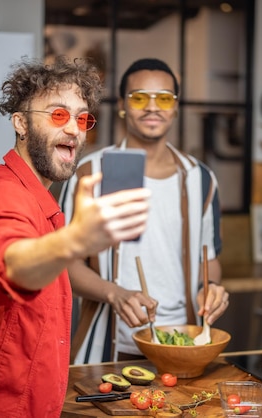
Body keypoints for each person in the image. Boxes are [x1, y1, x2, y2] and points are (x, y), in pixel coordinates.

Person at [0, 56, 151, 418]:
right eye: (58, 115)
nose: (75, 130)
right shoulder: (1, 194)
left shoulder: (39, 198)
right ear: (20, 123)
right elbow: (12, 264)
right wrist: (75, 242)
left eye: (81, 118)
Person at [59, 58, 230, 364]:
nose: (153, 107)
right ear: (123, 105)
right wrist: (114, 293)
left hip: (182, 345)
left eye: (164, 98)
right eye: (140, 97)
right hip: (107, 348)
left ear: (175, 107)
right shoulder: (91, 173)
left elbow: (210, 259)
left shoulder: (200, 178)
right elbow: (62, 264)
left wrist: (211, 288)